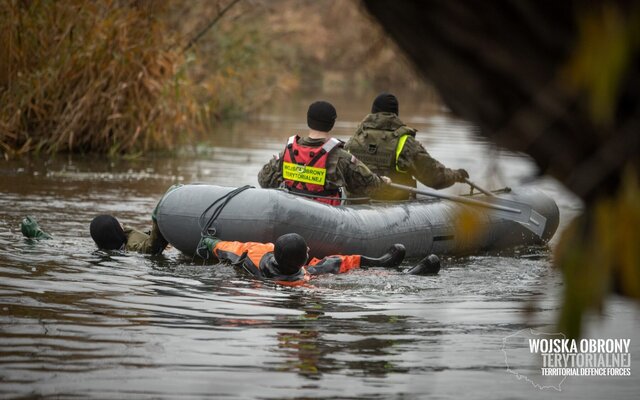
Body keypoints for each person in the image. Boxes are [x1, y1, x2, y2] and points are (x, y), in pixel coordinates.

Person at [258, 100, 390, 205]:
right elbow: (369, 185)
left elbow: (264, 180)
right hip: (325, 220)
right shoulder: (341, 157)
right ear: (332, 123)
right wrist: (383, 181)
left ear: (308, 121)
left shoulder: (288, 151)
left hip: (291, 211)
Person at [345, 92, 470, 201]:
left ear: (373, 112)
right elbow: (434, 177)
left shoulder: (354, 139)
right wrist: (457, 175)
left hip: (356, 207)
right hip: (394, 208)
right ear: (395, 114)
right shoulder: (405, 142)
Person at [196, 232, 436, 286]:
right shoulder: (304, 285)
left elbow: (226, 247)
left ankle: (382, 262)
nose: (310, 248)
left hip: (281, 271)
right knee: (333, 266)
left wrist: (209, 243)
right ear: (303, 260)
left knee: (333, 262)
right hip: (293, 280)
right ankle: (408, 275)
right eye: (307, 250)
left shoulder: (255, 252)